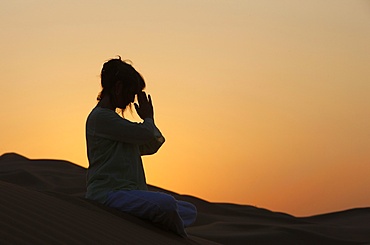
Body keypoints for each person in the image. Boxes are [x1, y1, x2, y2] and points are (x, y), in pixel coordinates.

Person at [85, 57, 197, 237]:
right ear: (119, 87)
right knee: (167, 205)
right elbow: (146, 134)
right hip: (108, 195)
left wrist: (148, 122)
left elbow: (151, 144)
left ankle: (151, 219)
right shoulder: (101, 118)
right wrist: (148, 118)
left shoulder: (117, 125)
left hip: (129, 193)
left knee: (189, 210)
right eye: (132, 92)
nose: (132, 99)